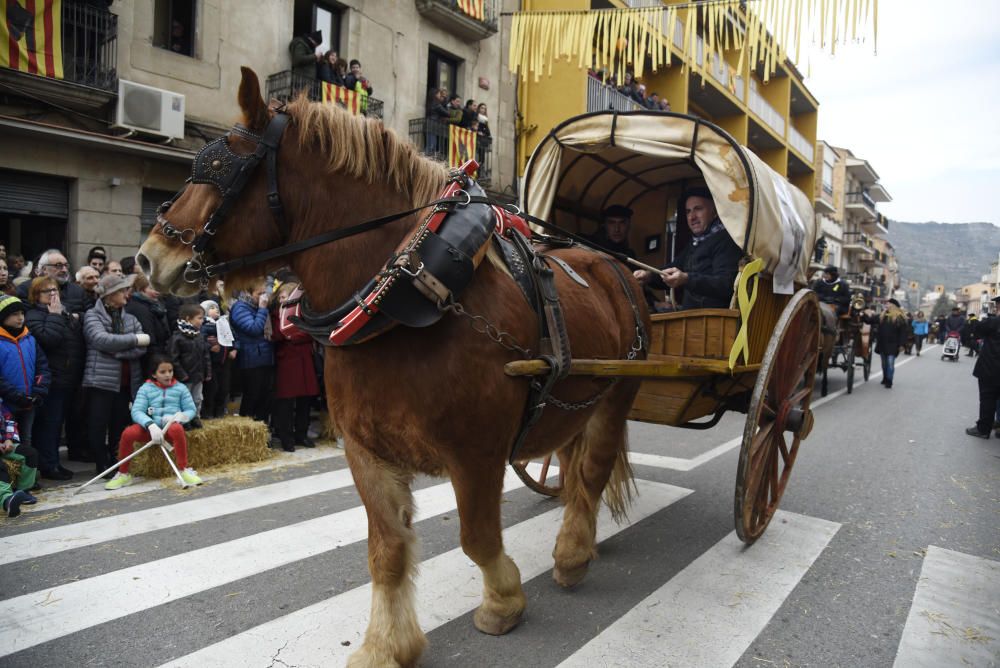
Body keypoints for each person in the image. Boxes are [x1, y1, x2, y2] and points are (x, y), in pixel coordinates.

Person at [83, 273, 150, 475]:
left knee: (119, 425)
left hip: (126, 382)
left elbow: (142, 348)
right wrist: (134, 340)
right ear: (110, 295)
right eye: (122, 291)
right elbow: (101, 339)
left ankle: (116, 460)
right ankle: (101, 463)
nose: (126, 295)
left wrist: (117, 350)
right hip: (101, 381)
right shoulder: (92, 316)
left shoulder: (130, 318)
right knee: (98, 425)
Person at [633, 187, 742, 310]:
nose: (692, 217)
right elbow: (673, 268)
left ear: (715, 211)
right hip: (691, 316)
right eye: (688, 211)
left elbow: (727, 285)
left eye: (698, 209)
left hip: (712, 320)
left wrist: (686, 279)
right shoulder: (696, 242)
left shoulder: (726, 240)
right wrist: (649, 276)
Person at [105, 355, 202, 489]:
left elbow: (191, 409)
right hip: (150, 431)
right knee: (128, 433)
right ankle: (123, 474)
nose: (168, 375)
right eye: (162, 372)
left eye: (170, 371)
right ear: (153, 374)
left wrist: (181, 417)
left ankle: (184, 470)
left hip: (170, 429)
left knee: (177, 429)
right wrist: (150, 425)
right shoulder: (145, 389)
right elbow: (137, 411)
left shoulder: (181, 388)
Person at [25, 276, 84, 481]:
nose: (53, 294)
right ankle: (49, 465)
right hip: (51, 378)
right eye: (47, 291)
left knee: (57, 424)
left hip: (67, 376)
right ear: (36, 296)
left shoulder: (62, 312)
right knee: (49, 424)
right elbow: (49, 339)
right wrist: (56, 317)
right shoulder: (33, 315)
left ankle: (53, 462)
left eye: (55, 290)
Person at [270, 282, 319, 452]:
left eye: (286, 297)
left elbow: (310, 332)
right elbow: (279, 334)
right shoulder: (276, 314)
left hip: (304, 359)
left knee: (305, 401)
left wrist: (294, 336)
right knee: (286, 402)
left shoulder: (302, 312)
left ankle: (301, 434)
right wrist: (297, 335)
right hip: (287, 361)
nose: (283, 300)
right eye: (281, 297)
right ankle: (286, 438)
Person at [0, 295, 50, 456]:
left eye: (22, 313)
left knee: (27, 440)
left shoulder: (30, 339)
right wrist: (14, 395)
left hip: (29, 402)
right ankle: (9, 477)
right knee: (9, 443)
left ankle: (27, 478)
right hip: (5, 405)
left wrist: (38, 391)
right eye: (14, 314)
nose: (20, 317)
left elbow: (42, 367)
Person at [230, 280, 274, 423]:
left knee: (265, 397)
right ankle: (248, 432)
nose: (263, 297)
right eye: (259, 293)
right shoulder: (240, 308)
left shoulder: (255, 306)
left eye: (264, 293)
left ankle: (263, 432)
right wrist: (262, 309)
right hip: (250, 359)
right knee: (252, 396)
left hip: (265, 357)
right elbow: (254, 329)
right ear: (248, 292)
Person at [168, 303, 211, 429]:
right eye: (199, 318)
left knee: (197, 398)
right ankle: (184, 419)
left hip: (198, 375)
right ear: (188, 318)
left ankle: (195, 417)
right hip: (185, 377)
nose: (202, 321)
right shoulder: (177, 337)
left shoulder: (199, 336)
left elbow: (205, 355)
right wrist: (182, 374)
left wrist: (207, 372)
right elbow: (173, 358)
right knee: (184, 399)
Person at [966, 296, 1000, 439]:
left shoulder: (994, 322)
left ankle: (983, 429)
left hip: (991, 367)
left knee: (987, 398)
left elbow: (977, 330)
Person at [17, 249, 86, 315]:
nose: (64, 270)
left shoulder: (78, 290)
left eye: (66, 265)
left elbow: (88, 314)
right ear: (44, 269)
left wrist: (78, 316)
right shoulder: (26, 289)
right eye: (59, 266)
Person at [1, 399, 38, 517]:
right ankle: (7, 501)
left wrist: (9, 439)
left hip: (3, 444)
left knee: (30, 454)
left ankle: (23, 491)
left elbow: (9, 420)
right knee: (2, 467)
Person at [126, 274, 171, 364]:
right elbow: (149, 338)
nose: (157, 292)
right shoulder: (139, 308)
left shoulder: (155, 305)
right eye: (152, 288)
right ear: (141, 289)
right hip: (152, 358)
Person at [200, 300, 233, 419]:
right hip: (211, 364)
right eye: (212, 308)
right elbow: (201, 339)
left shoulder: (224, 322)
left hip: (224, 362)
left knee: (224, 389)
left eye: (217, 307)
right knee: (211, 389)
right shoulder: (205, 325)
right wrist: (210, 346)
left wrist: (235, 348)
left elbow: (232, 336)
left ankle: (219, 413)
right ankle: (208, 413)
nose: (216, 309)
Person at [873, 299, 908, 389]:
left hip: (893, 344)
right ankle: (885, 377)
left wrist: (901, 344)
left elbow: (903, 333)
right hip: (882, 343)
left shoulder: (900, 318)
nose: (886, 305)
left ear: (893, 305)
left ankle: (889, 381)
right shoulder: (882, 315)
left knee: (890, 363)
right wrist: (862, 314)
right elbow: (871, 320)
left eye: (888, 304)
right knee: (884, 364)